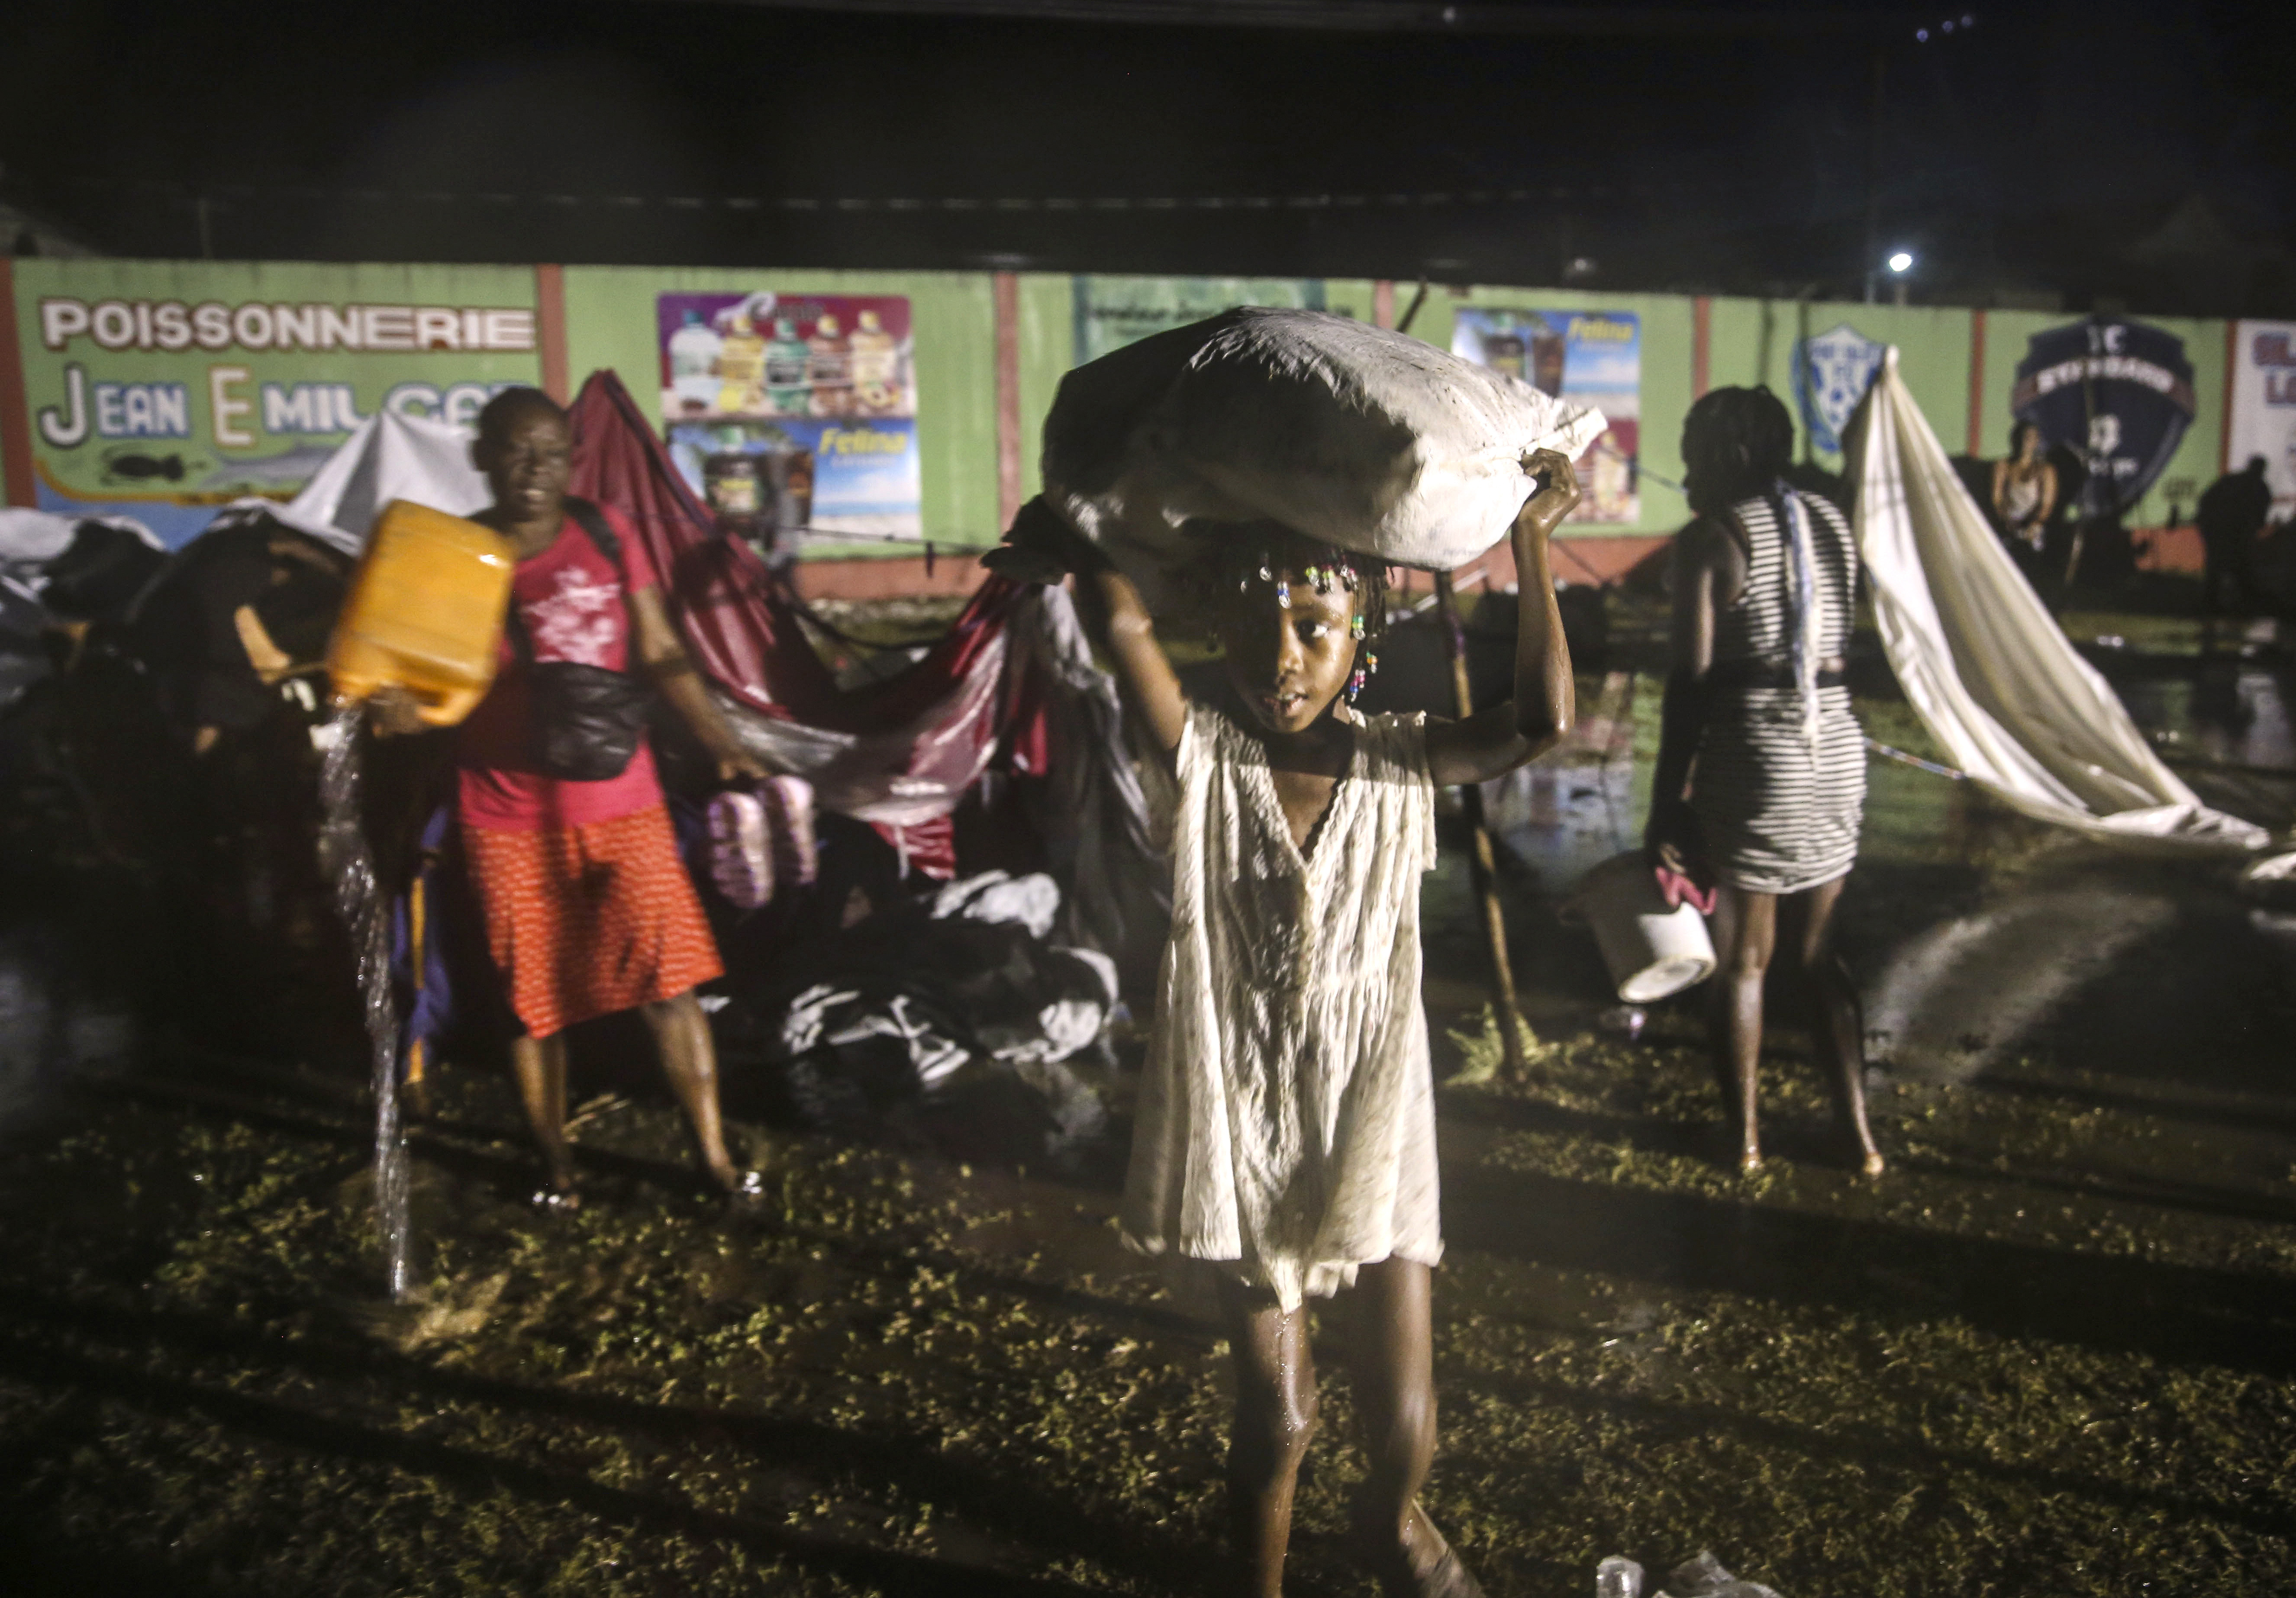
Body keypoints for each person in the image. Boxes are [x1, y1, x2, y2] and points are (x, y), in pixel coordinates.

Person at [1015, 449, 1580, 1598]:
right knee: (1281, 1416)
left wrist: (1531, 537)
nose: (1283, 658)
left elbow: (1542, 720)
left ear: (1359, 634)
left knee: (1403, 1417)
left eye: (1315, 629)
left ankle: (1392, 1526)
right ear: (1220, 629)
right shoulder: (1205, 756)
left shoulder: (1404, 759)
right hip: (1248, 1116)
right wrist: (1079, 539)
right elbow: (1124, 629)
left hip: (1377, 1106)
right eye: (1257, 626)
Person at [371, 387, 767, 1208]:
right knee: (533, 1004)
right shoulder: (453, 557)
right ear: (481, 457)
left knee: (668, 984)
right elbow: (414, 684)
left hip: (625, 803)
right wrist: (401, 709)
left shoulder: (605, 531)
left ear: (571, 461)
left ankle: (713, 1160)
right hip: (504, 812)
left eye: (552, 453)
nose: (535, 470)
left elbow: (662, 650)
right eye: (517, 452)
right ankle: (555, 1166)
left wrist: (721, 740)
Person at [1646, 387, 1883, 1179]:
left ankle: (1743, 1143)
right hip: (1835, 749)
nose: (1686, 471)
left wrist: (1666, 805)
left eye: (1694, 454)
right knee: (1818, 956)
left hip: (1757, 755)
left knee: (1744, 962)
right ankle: (1860, 1141)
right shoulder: (1832, 522)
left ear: (1734, 454)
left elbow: (1689, 684)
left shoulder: (1709, 539)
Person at [2196, 456, 2276, 616]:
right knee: (2236, 564)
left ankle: (2215, 601)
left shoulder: (2232, 481)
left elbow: (2207, 500)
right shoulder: (2259, 488)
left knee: (2219, 564)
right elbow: (2260, 518)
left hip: (2219, 529)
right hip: (2228, 531)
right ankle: (2236, 602)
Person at [1990, 420, 2058, 581]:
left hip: (2033, 527)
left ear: (2036, 442)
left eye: (2029, 438)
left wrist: (2034, 525)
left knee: (2032, 549)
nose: (2025, 442)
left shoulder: (2045, 471)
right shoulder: (2003, 466)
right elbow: (1997, 498)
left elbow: (2047, 505)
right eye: (2022, 437)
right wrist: (2006, 520)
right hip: (2008, 524)